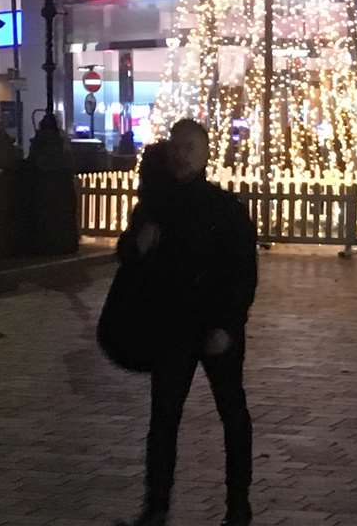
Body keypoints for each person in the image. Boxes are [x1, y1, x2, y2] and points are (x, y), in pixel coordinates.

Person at [116, 119, 258, 526]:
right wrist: (136, 246)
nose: (182, 155)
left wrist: (228, 325)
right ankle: (156, 506)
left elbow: (242, 271)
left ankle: (238, 505)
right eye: (177, 147)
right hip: (170, 324)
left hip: (215, 326)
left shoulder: (225, 208)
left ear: (205, 153)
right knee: (163, 419)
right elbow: (129, 254)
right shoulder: (155, 204)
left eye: (190, 148)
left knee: (232, 413)